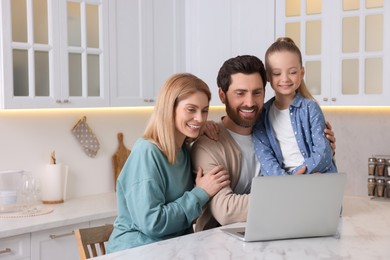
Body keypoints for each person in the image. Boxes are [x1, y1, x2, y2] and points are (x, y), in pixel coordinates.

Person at [190, 55, 336, 231]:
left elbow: (309, 165)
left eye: (257, 92)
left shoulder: (276, 131)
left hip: (274, 233)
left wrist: (325, 149)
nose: (250, 102)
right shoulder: (208, 144)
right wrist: (291, 191)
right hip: (219, 245)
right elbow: (226, 210)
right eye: (240, 93)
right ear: (222, 95)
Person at [106, 73, 230, 252]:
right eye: (191, 109)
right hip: (135, 251)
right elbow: (152, 223)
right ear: (169, 108)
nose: (200, 118)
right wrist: (200, 193)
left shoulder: (183, 150)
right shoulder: (147, 152)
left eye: (204, 110)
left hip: (171, 249)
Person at [252, 37, 337, 176]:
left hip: (316, 178)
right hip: (282, 184)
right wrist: (288, 181)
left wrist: (299, 175)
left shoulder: (310, 108)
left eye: (292, 72)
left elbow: (324, 152)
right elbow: (265, 158)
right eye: (277, 73)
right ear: (268, 76)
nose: (285, 79)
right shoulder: (262, 115)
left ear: (301, 73)